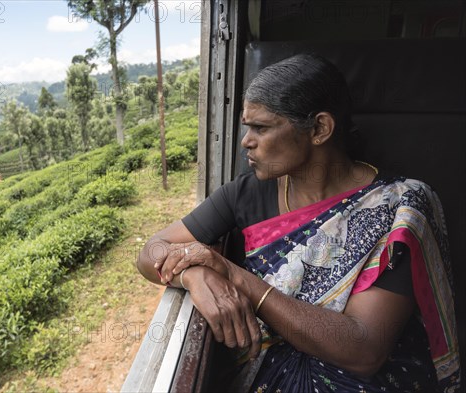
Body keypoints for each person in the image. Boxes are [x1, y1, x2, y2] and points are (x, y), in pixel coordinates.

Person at [136, 54, 461, 392]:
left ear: (320, 128)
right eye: (247, 127)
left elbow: (363, 349)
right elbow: (150, 251)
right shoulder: (246, 193)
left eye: (261, 128)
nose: (246, 140)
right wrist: (194, 274)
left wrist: (235, 276)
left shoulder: (399, 208)